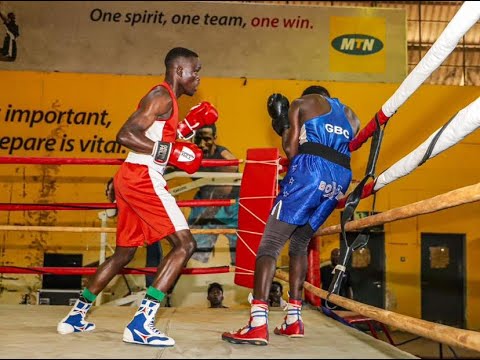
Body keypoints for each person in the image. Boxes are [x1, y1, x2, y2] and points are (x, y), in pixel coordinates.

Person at [57, 47, 219, 347]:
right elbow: (126, 134)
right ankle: (142, 323)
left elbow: (153, 140)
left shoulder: (168, 102)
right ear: (179, 70)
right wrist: (170, 151)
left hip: (133, 175)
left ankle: (76, 315)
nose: (198, 77)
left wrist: (185, 130)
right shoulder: (160, 95)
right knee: (185, 244)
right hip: (143, 179)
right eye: (195, 71)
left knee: (124, 253)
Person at [222, 85, 360, 346]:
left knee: (270, 244)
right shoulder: (351, 114)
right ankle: (294, 319)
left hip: (311, 171)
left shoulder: (303, 103)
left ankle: (257, 323)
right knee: (299, 244)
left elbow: (291, 150)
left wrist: (282, 122)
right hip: (340, 180)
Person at [105, 177, 167, 299]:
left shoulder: (136, 192)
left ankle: (152, 289)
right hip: (131, 231)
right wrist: (112, 193)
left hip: (145, 228)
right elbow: (110, 213)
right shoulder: (118, 200)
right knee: (121, 258)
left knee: (154, 252)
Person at [188, 124, 239, 266]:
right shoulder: (189, 154)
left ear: (214, 139)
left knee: (240, 253)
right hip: (205, 199)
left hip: (230, 204)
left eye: (207, 139)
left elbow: (232, 164)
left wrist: (203, 217)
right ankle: (183, 282)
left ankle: (241, 281)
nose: (202, 144)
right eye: (198, 139)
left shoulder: (222, 155)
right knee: (191, 251)